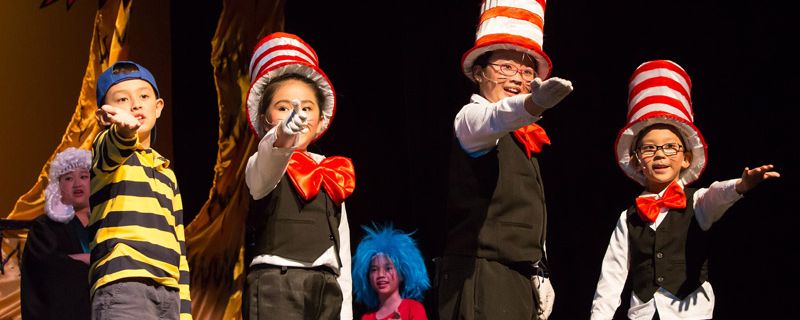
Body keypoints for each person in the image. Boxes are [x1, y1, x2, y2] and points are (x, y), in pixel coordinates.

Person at [590, 60, 780, 320]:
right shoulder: (628, 218)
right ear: (636, 161)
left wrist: (740, 186)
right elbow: (612, 275)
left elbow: (717, 194)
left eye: (670, 147)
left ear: (686, 159)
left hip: (691, 313)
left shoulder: (698, 202)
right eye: (649, 148)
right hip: (643, 314)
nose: (660, 155)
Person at [437, 1, 572, 319]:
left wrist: (540, 270)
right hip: (480, 276)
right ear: (479, 72)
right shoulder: (471, 118)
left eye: (526, 72)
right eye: (505, 68)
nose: (517, 79)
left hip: (519, 282)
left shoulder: (524, 138)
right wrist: (532, 105)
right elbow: (495, 118)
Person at [243, 32, 354, 320]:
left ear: (320, 119)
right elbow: (267, 162)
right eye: (283, 108)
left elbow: (341, 250)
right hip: (277, 286)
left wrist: (345, 312)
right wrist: (282, 135)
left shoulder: (332, 170)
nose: (298, 116)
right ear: (266, 118)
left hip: (327, 287)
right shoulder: (264, 162)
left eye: (306, 108)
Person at [90, 61, 191, 320]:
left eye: (144, 97)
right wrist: (123, 132)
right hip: (125, 284)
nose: (135, 105)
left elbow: (179, 248)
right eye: (122, 99)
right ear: (103, 115)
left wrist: (184, 311)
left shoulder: (166, 172)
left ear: (158, 107)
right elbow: (113, 146)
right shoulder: (106, 154)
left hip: (168, 291)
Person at [20, 147, 92, 319]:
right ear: (58, 186)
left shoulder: (108, 224)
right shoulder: (44, 227)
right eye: (68, 178)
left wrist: (77, 258)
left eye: (84, 176)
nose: (77, 184)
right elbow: (46, 268)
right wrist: (89, 260)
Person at [352, 224, 430, 320]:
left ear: (402, 274)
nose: (381, 275)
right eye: (374, 269)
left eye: (388, 268)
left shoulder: (413, 309)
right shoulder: (366, 318)